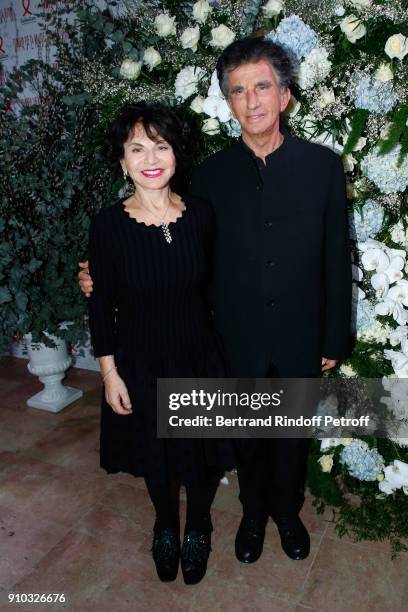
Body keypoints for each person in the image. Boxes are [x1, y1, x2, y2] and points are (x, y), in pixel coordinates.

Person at [80, 38, 351, 564]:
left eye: (262, 87)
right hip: (232, 340)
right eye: (238, 91)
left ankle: (287, 513)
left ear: (285, 95)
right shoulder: (207, 178)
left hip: (301, 335)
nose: (251, 101)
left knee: (292, 437)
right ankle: (251, 516)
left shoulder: (323, 167)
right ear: (228, 103)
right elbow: (171, 247)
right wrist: (94, 277)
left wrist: (333, 335)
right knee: (247, 440)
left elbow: (336, 259)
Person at [85, 102, 235, 585]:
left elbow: (220, 284)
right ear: (122, 161)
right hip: (140, 360)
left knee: (200, 456)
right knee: (155, 456)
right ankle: (165, 524)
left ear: (176, 154)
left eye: (161, 145)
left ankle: (200, 523)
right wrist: (109, 372)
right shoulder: (108, 225)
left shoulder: (202, 215)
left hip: (196, 354)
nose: (151, 157)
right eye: (137, 148)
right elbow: (100, 302)